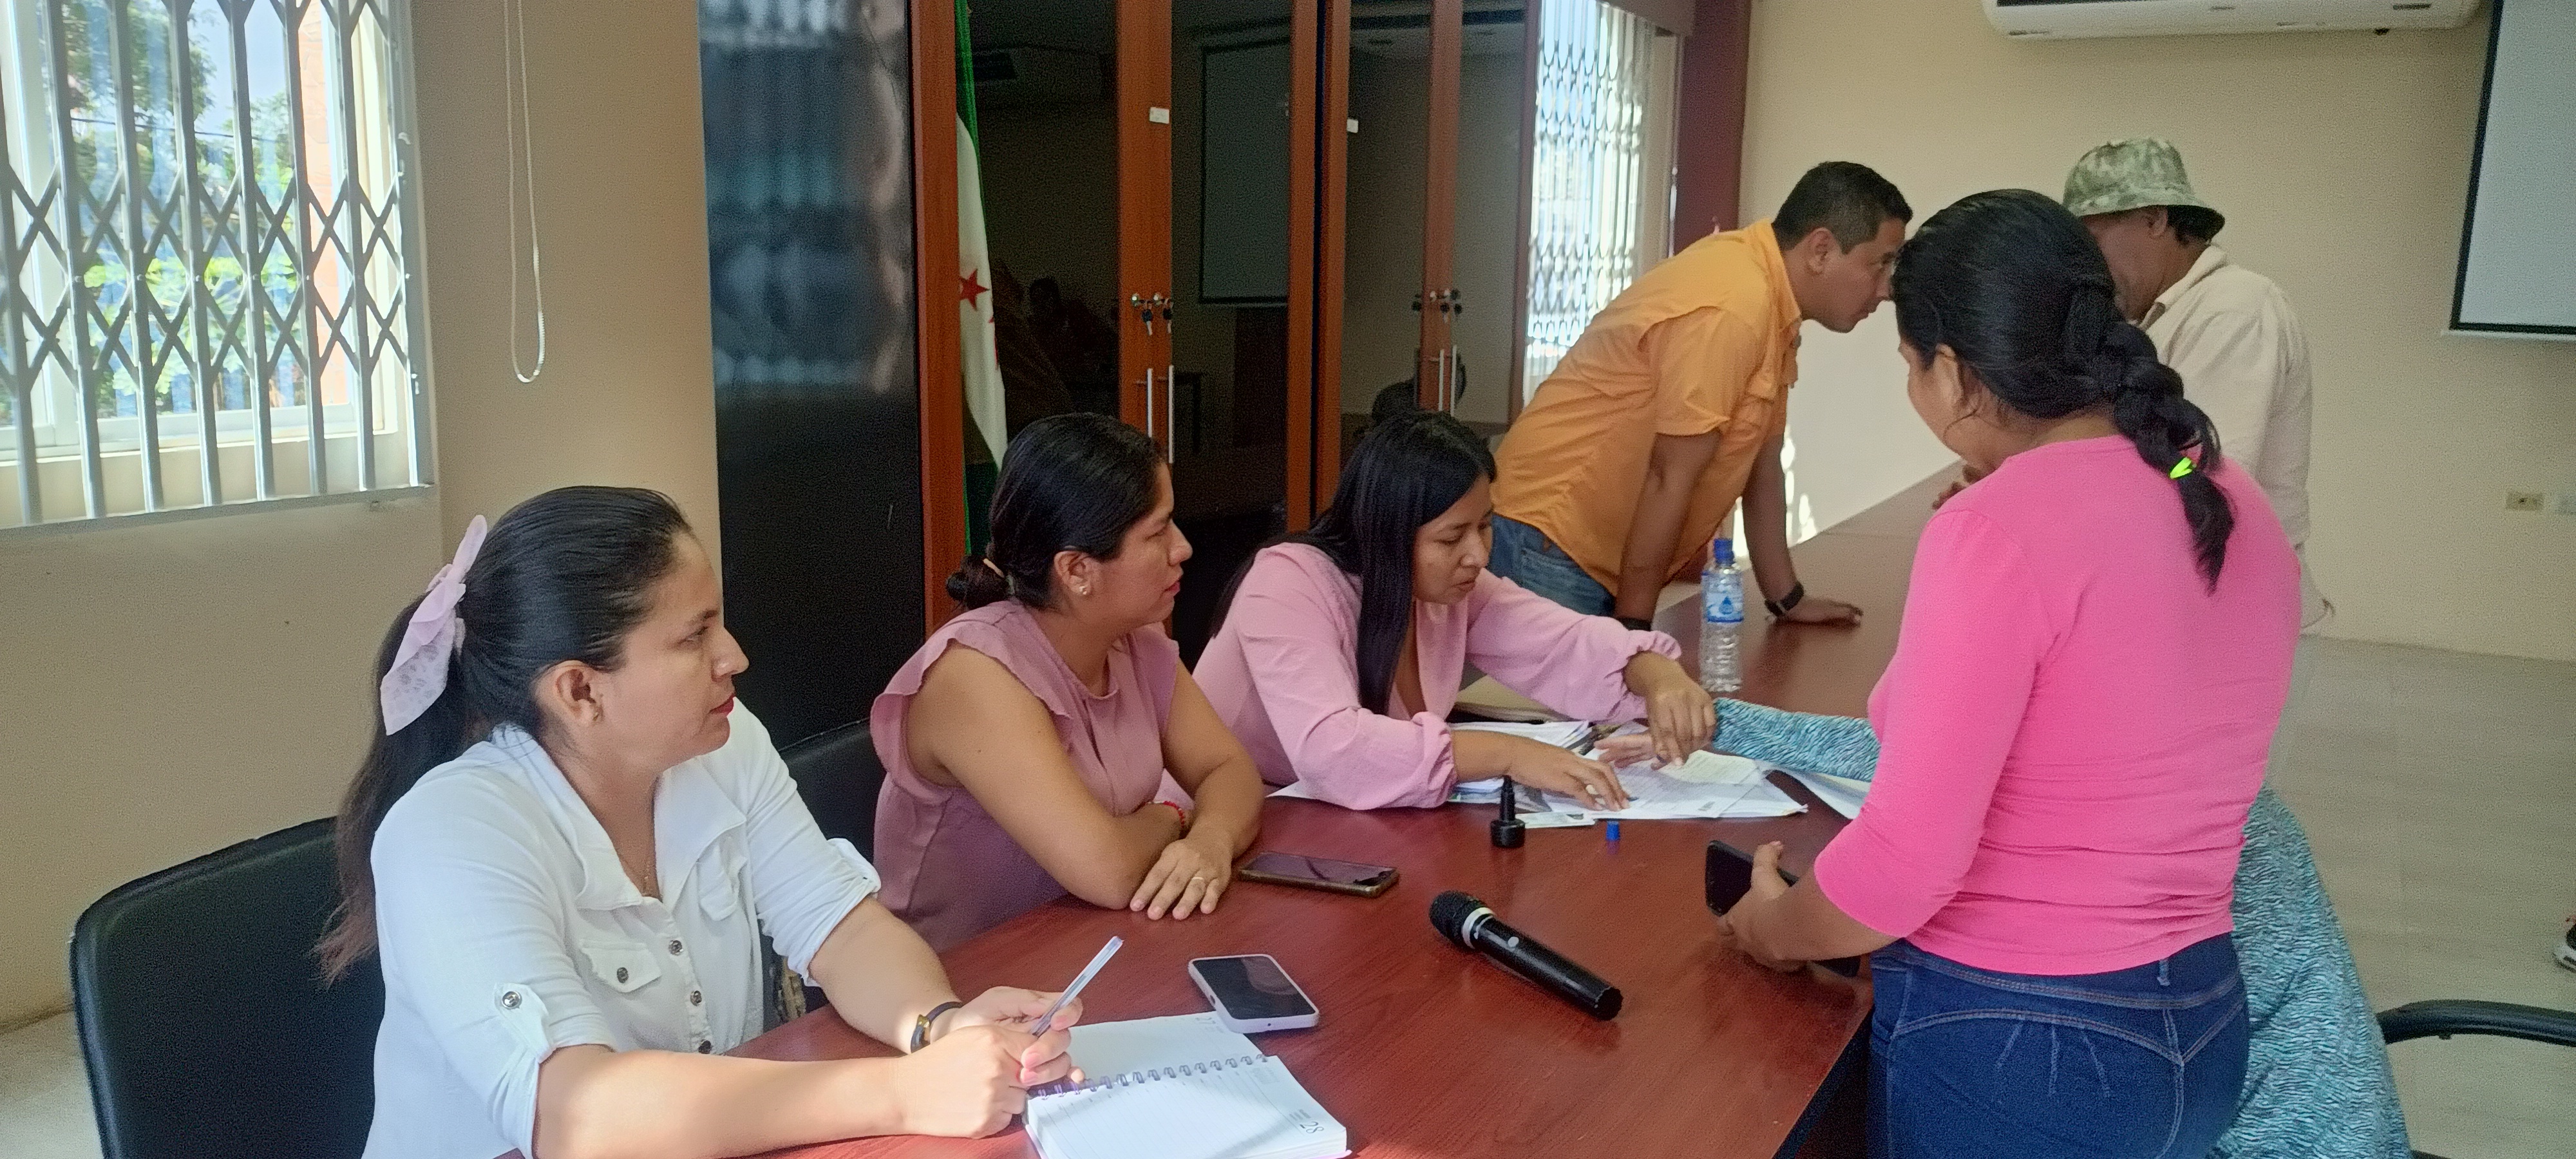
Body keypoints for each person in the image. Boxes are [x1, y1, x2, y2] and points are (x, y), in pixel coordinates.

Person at [1714, 189, 2301, 1157]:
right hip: (2199, 1030)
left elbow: (1902, 868)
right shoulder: (2220, 492)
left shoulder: (1991, 529)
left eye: (1909, 365)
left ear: (1953, 373)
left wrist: (1769, 930)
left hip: (2023, 1046)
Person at [325, 487, 1082, 1159]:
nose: (734, 656)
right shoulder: (450, 835)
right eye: (694, 637)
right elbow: (574, 1115)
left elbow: (839, 929)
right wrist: (905, 1093)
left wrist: (938, 1027)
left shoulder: (720, 741)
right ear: (580, 690)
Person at [1714, 694, 2412, 1158]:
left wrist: (1782, 925)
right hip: (2243, 1116)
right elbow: (1907, 756)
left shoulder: (2111, 808)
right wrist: (1707, 719)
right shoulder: (2184, 770)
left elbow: (1887, 895)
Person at [873, 413, 1265, 950]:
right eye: (1158, 532)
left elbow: (1229, 769)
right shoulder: (975, 675)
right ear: (1077, 570)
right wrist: (1174, 814)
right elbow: (1108, 873)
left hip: (1096, 944)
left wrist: (1212, 840)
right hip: (967, 975)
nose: (1183, 548)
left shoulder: (1134, 640)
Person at [1197, 411, 1714, 811]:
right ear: (1388, 533)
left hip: (1343, 828)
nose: (1478, 556)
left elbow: (1563, 643)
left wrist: (1658, 676)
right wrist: (1511, 754)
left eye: (1484, 527)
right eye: (1451, 538)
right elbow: (1334, 752)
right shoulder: (1288, 583)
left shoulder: (1446, 589)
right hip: (1226, 828)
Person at [1488, 161, 1909, 629]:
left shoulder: (1772, 305)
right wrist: (1635, 634)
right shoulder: (1734, 306)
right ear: (1821, 250)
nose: (1887, 289)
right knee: (1599, 676)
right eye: (1881, 263)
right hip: (1549, 543)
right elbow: (1669, 476)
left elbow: (1762, 463)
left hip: (1583, 551)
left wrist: (1787, 599)